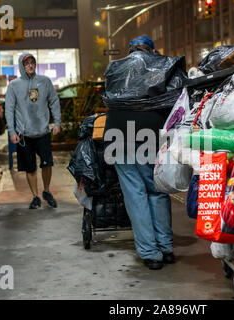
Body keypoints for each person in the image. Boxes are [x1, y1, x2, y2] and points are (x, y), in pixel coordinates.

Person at [104, 36, 175, 270]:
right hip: (151, 137)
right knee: (158, 191)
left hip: (119, 139)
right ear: (152, 50)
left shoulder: (115, 68)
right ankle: (165, 248)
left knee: (135, 195)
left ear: (130, 50)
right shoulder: (163, 66)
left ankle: (150, 254)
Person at [5, 53, 61, 209]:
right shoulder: (14, 85)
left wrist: (57, 122)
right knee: (30, 168)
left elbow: (54, 101)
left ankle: (47, 191)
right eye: (27, 63)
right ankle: (35, 196)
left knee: (47, 164)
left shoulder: (44, 81)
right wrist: (12, 131)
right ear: (22, 66)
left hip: (43, 131)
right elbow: (9, 110)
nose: (30, 65)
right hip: (24, 134)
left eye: (32, 62)